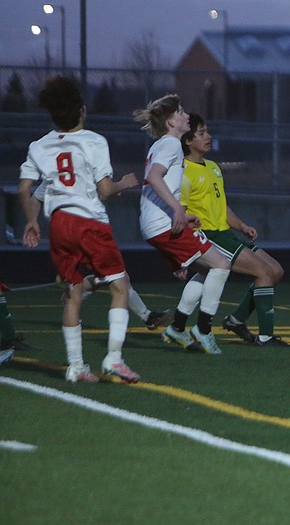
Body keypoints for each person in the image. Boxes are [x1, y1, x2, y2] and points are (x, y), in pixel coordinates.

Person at [16, 75, 141, 382]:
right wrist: (125, 182)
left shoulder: (39, 145)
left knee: (73, 293)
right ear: (82, 109)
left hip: (59, 224)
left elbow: (24, 189)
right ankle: (113, 359)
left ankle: (76, 367)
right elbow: (105, 190)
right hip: (89, 223)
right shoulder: (94, 141)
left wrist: (31, 220)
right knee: (120, 287)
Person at [133, 94, 233, 355]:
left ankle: (178, 327)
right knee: (222, 264)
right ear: (170, 122)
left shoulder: (161, 145)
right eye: (180, 112)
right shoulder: (171, 145)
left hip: (156, 223)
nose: (186, 115)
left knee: (206, 269)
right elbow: (154, 177)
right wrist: (178, 209)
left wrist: (179, 213)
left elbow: (156, 183)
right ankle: (204, 329)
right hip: (162, 224)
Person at [180, 113, 289, 347]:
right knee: (263, 271)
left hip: (226, 234)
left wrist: (242, 226)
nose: (208, 136)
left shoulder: (212, 167)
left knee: (276, 271)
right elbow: (179, 212)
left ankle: (236, 320)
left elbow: (221, 204)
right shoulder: (183, 171)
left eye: (207, 131)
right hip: (209, 236)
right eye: (201, 133)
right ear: (188, 140)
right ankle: (265, 337)